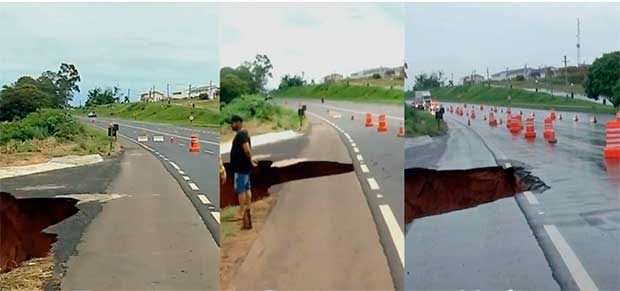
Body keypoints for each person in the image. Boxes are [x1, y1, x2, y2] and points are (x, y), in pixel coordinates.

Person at [230, 115, 257, 229]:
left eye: (233, 123)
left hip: (241, 167)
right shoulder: (244, 133)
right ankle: (248, 208)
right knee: (247, 188)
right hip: (244, 167)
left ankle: (241, 212)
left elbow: (246, 148)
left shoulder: (241, 134)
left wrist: (250, 158)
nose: (231, 125)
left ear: (239, 123)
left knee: (241, 190)